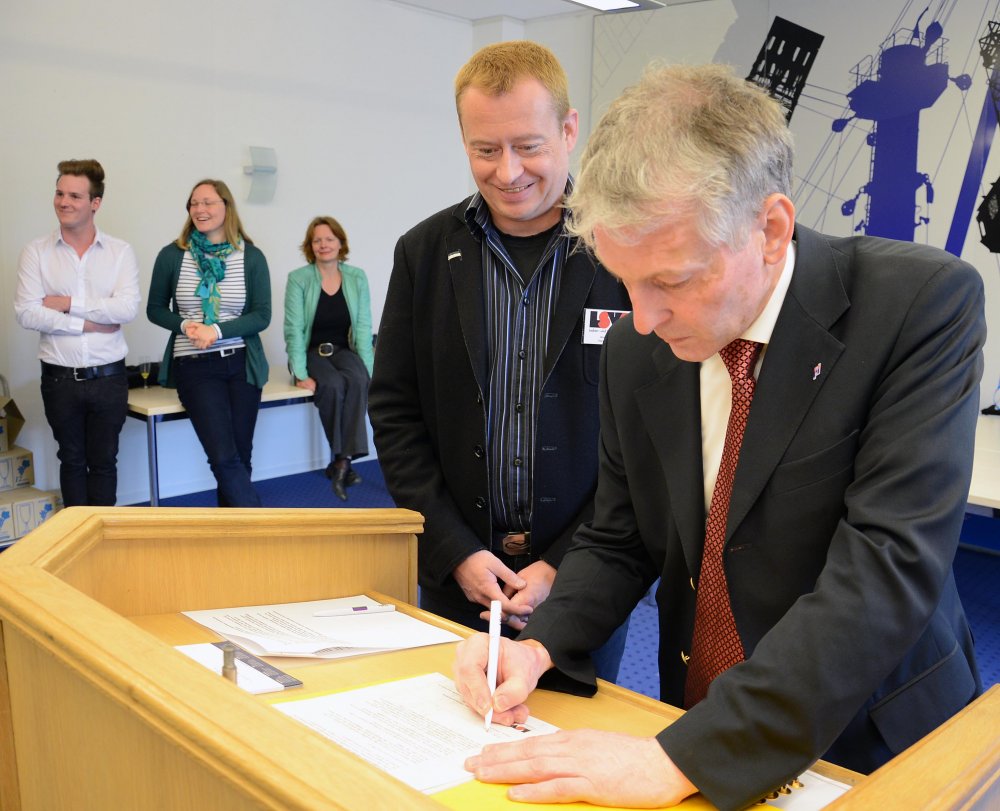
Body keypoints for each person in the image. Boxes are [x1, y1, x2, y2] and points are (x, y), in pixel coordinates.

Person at [453, 63, 985, 811]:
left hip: (875, 743)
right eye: (622, 278)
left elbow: (886, 567)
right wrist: (538, 644)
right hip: (696, 709)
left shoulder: (917, 305)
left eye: (670, 281)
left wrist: (687, 756)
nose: (641, 317)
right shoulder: (641, 344)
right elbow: (619, 535)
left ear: (768, 229)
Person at [368, 41, 632, 679]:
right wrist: (456, 550)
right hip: (458, 579)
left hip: (586, 577)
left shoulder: (626, 254)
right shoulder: (424, 253)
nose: (508, 171)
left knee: (572, 752)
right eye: (485, 150)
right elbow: (396, 414)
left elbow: (652, 439)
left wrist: (565, 563)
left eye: (529, 146)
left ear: (570, 131)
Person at [14, 159, 141, 506]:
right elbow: (27, 312)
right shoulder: (36, 252)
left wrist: (66, 302)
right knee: (71, 460)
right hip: (59, 380)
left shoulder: (119, 252)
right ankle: (75, 547)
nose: (63, 202)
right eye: (59, 193)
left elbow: (126, 309)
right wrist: (86, 322)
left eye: (74, 195)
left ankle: (103, 546)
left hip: (109, 378)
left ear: (95, 203)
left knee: (103, 463)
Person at [147, 179, 271, 508]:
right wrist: (187, 324)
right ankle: (260, 532)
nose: (200, 210)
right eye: (194, 203)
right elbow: (155, 309)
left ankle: (233, 541)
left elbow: (262, 315)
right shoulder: (173, 255)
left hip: (241, 364)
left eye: (208, 202)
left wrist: (215, 330)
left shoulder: (251, 256)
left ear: (226, 207)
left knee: (240, 457)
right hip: (195, 366)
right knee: (223, 456)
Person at [284, 216, 373, 500]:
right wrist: (299, 372)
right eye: (317, 240)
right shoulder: (298, 279)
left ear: (340, 243)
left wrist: (371, 370)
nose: (324, 245)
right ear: (311, 246)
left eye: (329, 239)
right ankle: (343, 461)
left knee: (358, 379)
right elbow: (294, 330)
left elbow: (362, 327)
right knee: (332, 386)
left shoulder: (356, 277)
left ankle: (340, 462)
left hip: (343, 350)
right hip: (312, 352)